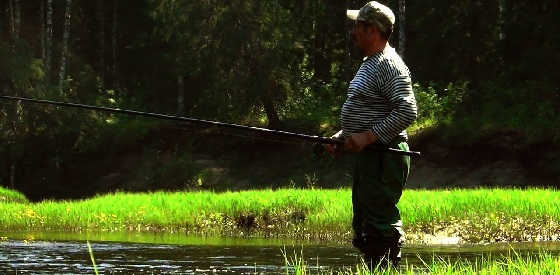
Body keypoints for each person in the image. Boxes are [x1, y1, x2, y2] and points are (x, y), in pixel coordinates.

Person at [325, 1, 417, 269]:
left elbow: (408, 110)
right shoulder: (372, 63)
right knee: (365, 224)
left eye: (358, 27)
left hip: (385, 156)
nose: (353, 33)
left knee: (380, 224)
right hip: (371, 155)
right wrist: (343, 136)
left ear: (372, 31)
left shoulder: (388, 64)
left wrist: (366, 137)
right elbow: (371, 111)